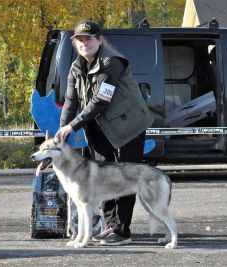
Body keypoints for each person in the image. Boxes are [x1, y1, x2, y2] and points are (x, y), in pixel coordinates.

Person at [57, 20, 154, 246]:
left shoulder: (112, 62)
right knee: (102, 176)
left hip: (130, 124)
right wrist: (62, 132)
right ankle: (110, 225)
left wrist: (73, 126)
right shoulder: (75, 67)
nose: (84, 44)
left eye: (88, 39)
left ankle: (122, 231)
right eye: (79, 40)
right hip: (99, 125)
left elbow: (101, 99)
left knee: (126, 175)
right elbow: (71, 101)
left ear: (99, 40)